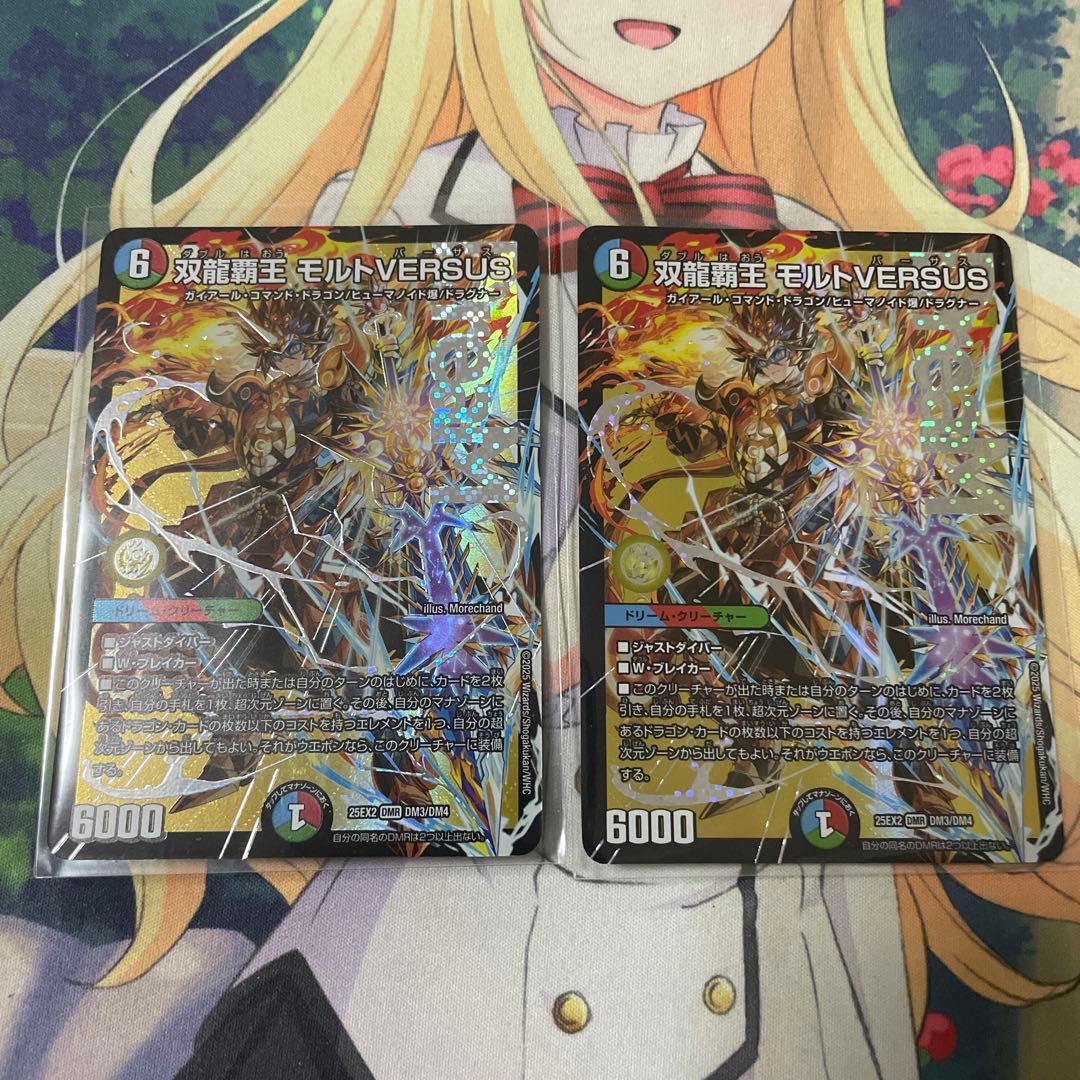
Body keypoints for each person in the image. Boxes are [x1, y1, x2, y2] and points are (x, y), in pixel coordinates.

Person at [1, 2, 1077, 1077]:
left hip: (770, 929)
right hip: (448, 961)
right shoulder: (379, 222)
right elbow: (272, 568)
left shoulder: (832, 252)